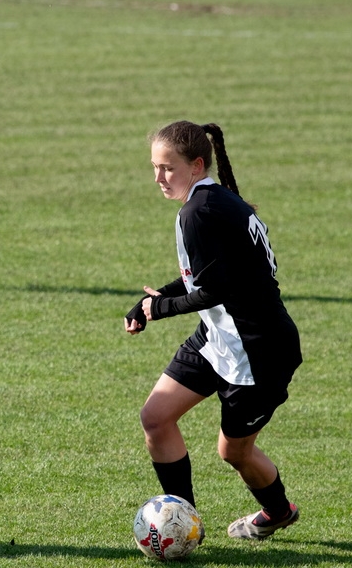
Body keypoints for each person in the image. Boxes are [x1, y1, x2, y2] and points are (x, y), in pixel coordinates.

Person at [125, 121, 303, 540]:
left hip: (259, 351)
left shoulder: (198, 212)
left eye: (168, 168)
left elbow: (215, 289)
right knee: (156, 418)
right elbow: (206, 277)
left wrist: (160, 307)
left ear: (196, 165)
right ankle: (184, 524)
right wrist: (153, 301)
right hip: (218, 337)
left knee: (234, 451)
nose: (159, 177)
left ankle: (279, 512)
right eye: (155, 167)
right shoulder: (213, 200)